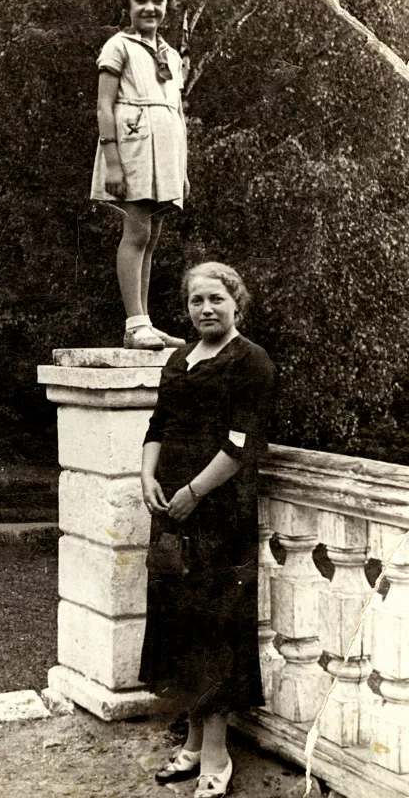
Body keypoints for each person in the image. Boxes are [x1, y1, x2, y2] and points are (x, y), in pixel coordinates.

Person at [139, 262, 276, 798]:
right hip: (172, 510)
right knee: (181, 627)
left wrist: (194, 492)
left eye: (216, 298)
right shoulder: (179, 359)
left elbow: (241, 445)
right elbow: (157, 425)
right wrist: (147, 475)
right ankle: (194, 744)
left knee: (215, 632)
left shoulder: (251, 361)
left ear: (236, 302)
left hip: (220, 515)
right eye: (197, 300)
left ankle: (217, 756)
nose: (206, 309)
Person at [90, 0, 189, 350]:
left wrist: (181, 169)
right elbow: (104, 105)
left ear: (168, 5)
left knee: (152, 235)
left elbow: (177, 111)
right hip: (132, 146)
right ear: (127, 5)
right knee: (137, 232)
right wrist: (112, 160)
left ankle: (144, 321)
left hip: (164, 151)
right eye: (140, 0)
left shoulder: (172, 55)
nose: (149, 8)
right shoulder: (118, 46)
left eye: (157, 1)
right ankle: (134, 324)